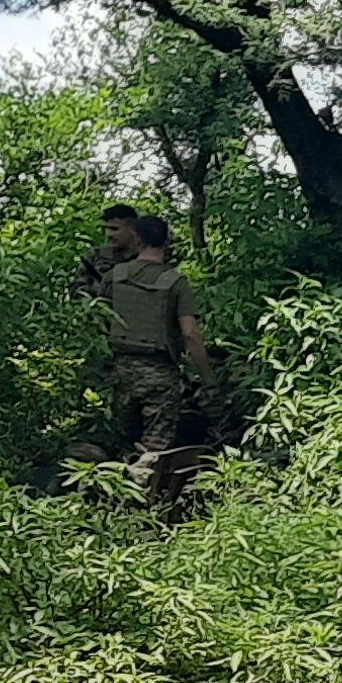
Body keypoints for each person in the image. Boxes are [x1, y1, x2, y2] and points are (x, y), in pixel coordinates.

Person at [91, 212, 215, 506]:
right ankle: (140, 511)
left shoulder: (115, 276)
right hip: (160, 375)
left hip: (120, 372)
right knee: (153, 452)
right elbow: (190, 334)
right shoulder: (175, 282)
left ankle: (108, 503)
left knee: (124, 443)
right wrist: (208, 377)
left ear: (136, 239)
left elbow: (96, 319)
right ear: (168, 241)